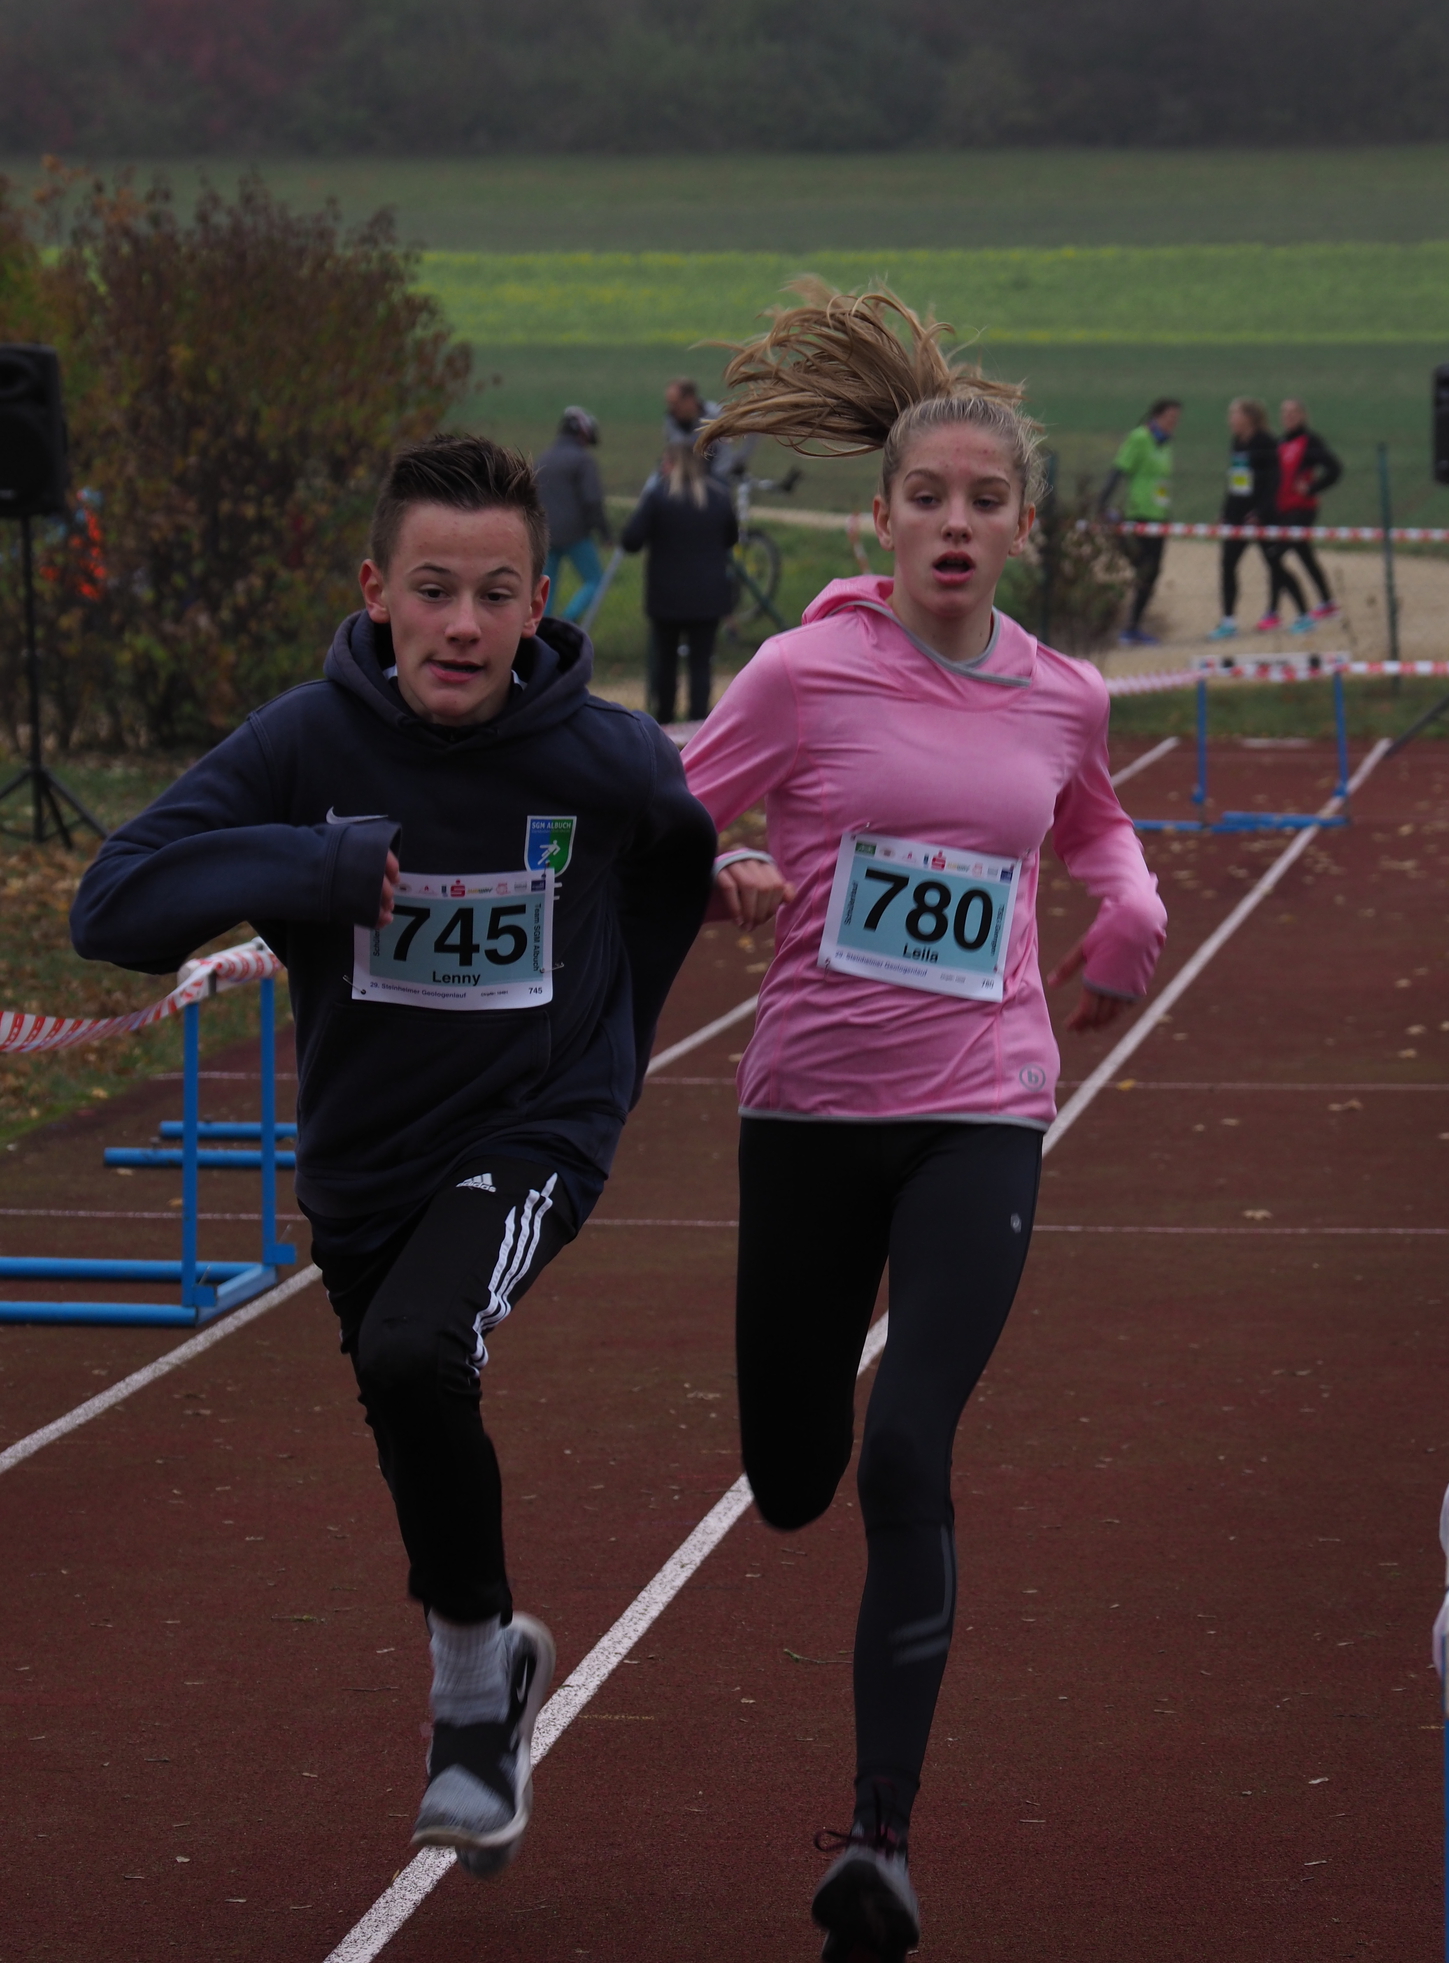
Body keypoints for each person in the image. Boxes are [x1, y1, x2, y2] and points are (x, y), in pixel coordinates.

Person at [69, 435, 716, 1877]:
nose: (463, 625)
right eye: (434, 590)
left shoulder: (604, 758)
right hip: (364, 1162)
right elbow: (111, 909)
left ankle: (470, 1712)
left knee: (421, 1352)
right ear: (377, 592)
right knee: (402, 1381)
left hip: (535, 1129)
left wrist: (612, 1052)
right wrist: (311, 867)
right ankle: (492, 1654)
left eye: (495, 595)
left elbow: (678, 852)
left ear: (540, 602)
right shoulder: (307, 744)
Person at [682, 287, 1168, 1963]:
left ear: (1023, 528)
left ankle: (880, 1841)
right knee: (791, 1477)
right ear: (879, 519)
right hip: (809, 1109)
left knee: (908, 1449)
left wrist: (1129, 913)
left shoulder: (1064, 697)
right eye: (928, 496)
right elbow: (665, 811)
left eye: (987, 499)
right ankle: (802, 1474)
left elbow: (1097, 833)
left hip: (983, 1108)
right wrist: (719, 864)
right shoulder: (801, 674)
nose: (956, 522)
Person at [620, 438, 739, 726]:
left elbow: (631, 540)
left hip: (667, 596)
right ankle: (699, 725)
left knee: (666, 663)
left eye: (665, 462)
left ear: (673, 465)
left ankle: (665, 723)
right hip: (708, 595)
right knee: (701, 664)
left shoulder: (658, 498)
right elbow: (731, 538)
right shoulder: (719, 497)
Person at [1098, 398, 1181, 646]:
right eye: (1169, 418)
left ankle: (1134, 625)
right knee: (1143, 568)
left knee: (1152, 571)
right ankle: (1127, 623)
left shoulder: (1166, 444)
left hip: (1159, 516)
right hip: (1140, 515)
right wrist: (1102, 503)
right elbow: (1119, 468)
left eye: (1176, 420)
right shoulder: (1140, 438)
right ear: (1156, 415)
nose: (1173, 423)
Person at [1211, 395, 1293, 638]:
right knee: (1228, 563)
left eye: (1234, 414)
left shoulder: (1266, 441)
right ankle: (1228, 620)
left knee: (1274, 563)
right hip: (1238, 515)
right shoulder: (1237, 442)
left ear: (1248, 417)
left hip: (1262, 516)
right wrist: (1226, 512)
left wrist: (1260, 512)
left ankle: (1283, 612)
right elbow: (1235, 482)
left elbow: (1273, 481)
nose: (1230, 419)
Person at [535, 405, 609, 622]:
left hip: (545, 534)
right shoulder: (582, 460)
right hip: (575, 535)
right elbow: (592, 500)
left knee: (546, 587)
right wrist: (604, 533)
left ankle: (543, 630)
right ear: (583, 434)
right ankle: (567, 620)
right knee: (596, 580)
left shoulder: (543, 458)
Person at [1275, 397, 1342, 627]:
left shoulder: (1311, 441)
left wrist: (1312, 488)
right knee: (1304, 555)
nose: (1289, 417)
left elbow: (1334, 469)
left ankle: (1290, 613)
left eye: (1293, 412)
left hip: (1302, 509)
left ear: (1303, 415)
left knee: (1275, 555)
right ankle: (1327, 602)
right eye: (1285, 413)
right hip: (1283, 509)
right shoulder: (1281, 442)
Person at [665, 375, 743, 489]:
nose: (672, 408)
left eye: (675, 403)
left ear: (690, 399)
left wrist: (739, 459)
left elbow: (724, 454)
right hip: (681, 477)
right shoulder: (671, 419)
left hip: (715, 476)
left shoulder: (716, 416)